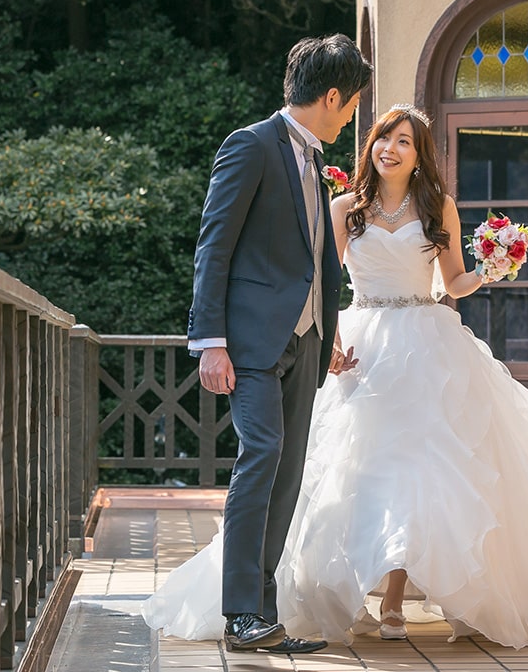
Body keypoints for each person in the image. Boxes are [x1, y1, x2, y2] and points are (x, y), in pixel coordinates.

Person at [143, 104, 528, 649]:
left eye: (405, 142)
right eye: (384, 137)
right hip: (361, 340)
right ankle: (330, 591)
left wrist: (489, 270)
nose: (390, 148)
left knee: (421, 469)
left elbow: (452, 282)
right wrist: (331, 341)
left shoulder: (441, 207)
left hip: (427, 341)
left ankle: (392, 600)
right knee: (355, 470)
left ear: (419, 155)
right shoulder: (344, 208)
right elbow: (318, 284)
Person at [183, 34, 372, 655]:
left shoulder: (316, 161)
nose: (351, 119)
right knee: (261, 456)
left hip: (308, 343)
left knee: (287, 474)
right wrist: (210, 341)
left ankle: (263, 613)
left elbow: (317, 262)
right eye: (351, 106)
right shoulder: (250, 145)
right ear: (333, 95)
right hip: (251, 345)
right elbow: (214, 246)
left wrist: (329, 333)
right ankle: (241, 613)